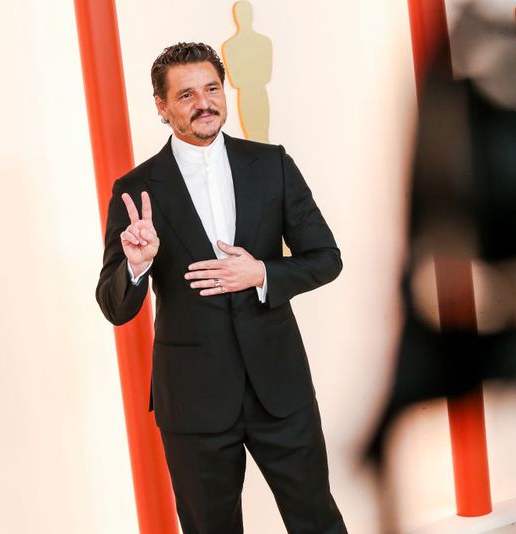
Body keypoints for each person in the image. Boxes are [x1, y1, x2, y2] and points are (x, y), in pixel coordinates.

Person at [96, 42, 347, 534]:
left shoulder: (272, 164)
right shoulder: (134, 189)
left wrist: (264, 274)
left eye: (212, 88)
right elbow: (114, 306)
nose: (204, 102)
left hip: (281, 388)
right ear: (162, 107)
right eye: (186, 95)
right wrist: (136, 265)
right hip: (193, 401)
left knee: (317, 521)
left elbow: (327, 259)